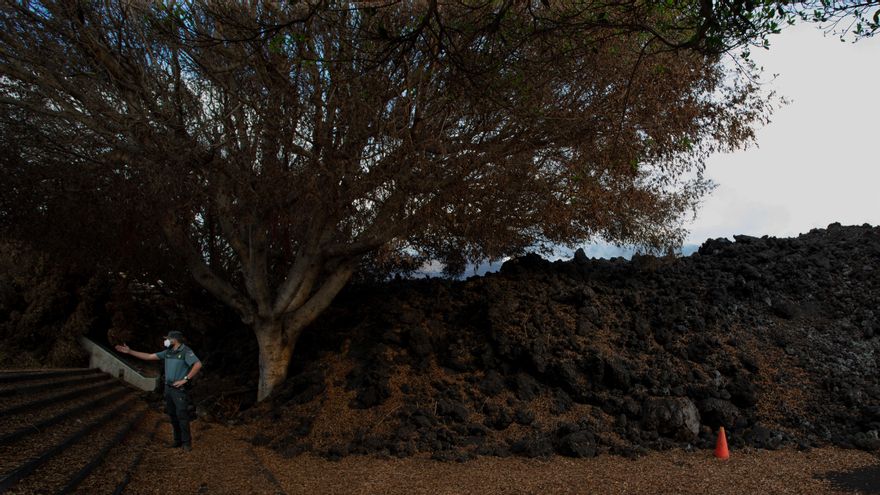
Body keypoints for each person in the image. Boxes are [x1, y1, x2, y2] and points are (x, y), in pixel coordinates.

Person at [115, 330, 202, 451]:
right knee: (172, 415)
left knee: (182, 415)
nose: (165, 341)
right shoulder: (168, 352)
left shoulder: (185, 351)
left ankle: (186, 443)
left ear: (174, 340)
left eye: (167, 339)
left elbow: (197, 365)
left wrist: (185, 379)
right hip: (168, 388)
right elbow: (149, 356)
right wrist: (130, 351)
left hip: (179, 389)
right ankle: (177, 441)